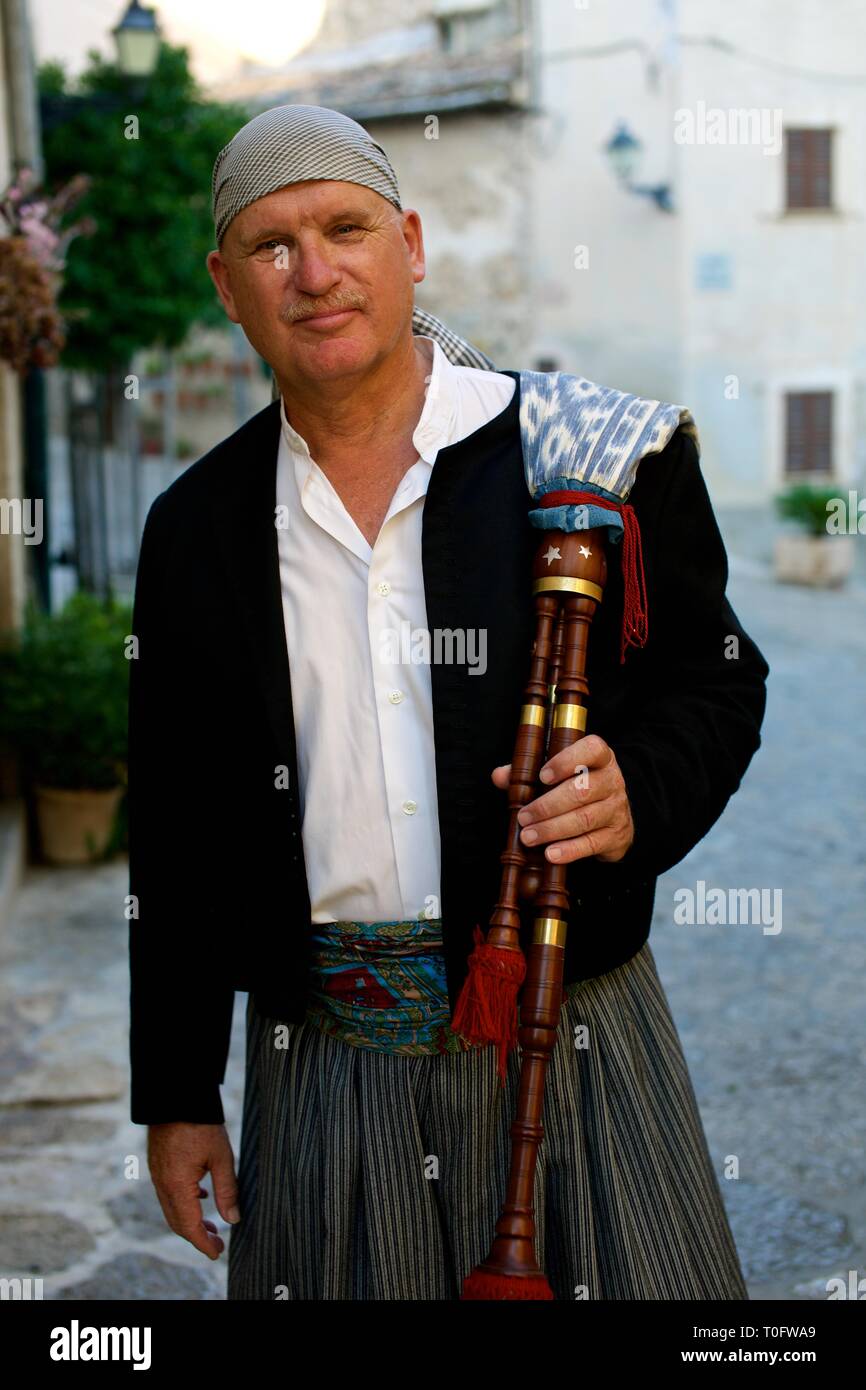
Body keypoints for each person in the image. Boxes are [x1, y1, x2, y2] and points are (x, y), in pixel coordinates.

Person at [128, 104, 769, 1301]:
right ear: (226, 285)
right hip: (322, 1069)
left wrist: (639, 785)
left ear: (409, 244)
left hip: (569, 1038)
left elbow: (715, 677)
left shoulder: (591, 461)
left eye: (344, 229)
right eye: (271, 247)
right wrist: (174, 1093)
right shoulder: (196, 531)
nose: (313, 273)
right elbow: (174, 827)